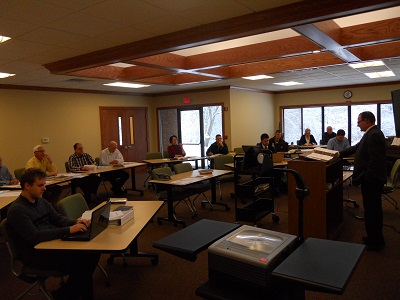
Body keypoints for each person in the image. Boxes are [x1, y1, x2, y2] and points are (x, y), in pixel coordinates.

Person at [6, 168, 100, 299]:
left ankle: (66, 293)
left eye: (44, 184)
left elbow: (58, 218)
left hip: (50, 244)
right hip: (35, 254)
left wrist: (77, 222)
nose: (44, 188)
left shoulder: (40, 201)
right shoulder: (18, 210)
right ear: (27, 186)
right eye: (40, 185)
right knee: (82, 261)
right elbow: (34, 236)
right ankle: (68, 294)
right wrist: (68, 230)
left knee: (91, 254)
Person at [340, 111, 386, 251]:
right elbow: (356, 148)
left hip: (372, 181)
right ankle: (373, 237)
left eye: (359, 121)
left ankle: (375, 241)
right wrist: (336, 154)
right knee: (371, 210)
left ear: (367, 121)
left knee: (373, 210)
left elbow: (375, 161)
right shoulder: (371, 133)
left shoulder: (374, 135)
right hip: (371, 180)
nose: (357, 124)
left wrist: (366, 177)